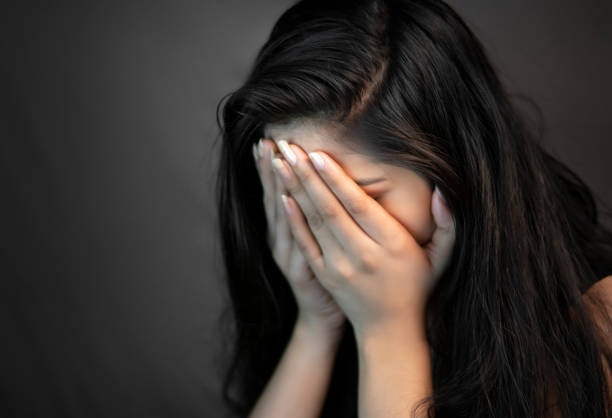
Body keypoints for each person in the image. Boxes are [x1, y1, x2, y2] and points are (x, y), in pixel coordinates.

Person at [214, 0, 612, 417]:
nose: (327, 228)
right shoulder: (330, 320)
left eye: (358, 199)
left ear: (454, 168)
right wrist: (316, 326)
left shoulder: (595, 329)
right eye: (301, 196)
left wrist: (387, 332)